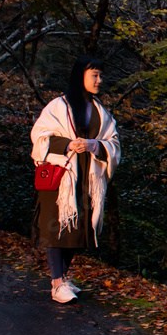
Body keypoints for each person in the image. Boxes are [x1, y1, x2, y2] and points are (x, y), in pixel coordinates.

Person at [30, 56, 121, 303]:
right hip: (62, 179)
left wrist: (93, 144)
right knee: (56, 228)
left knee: (77, 230)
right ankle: (57, 283)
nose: (99, 80)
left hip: (87, 181)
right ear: (80, 75)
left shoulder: (102, 111)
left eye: (100, 75)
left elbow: (114, 144)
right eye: (94, 75)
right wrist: (68, 143)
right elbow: (39, 137)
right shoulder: (57, 107)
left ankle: (63, 279)